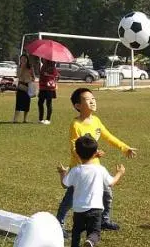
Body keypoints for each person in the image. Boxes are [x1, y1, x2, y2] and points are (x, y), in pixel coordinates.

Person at [56, 87, 137, 234]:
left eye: (93, 98)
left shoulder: (96, 121)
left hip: (96, 168)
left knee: (107, 194)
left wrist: (125, 148)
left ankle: (104, 220)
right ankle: (58, 224)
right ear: (78, 106)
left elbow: (109, 137)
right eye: (88, 99)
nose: (93, 101)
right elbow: (74, 148)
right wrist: (92, 155)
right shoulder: (76, 125)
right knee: (70, 199)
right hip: (79, 169)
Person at [57, 135, 125, 247]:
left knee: (76, 232)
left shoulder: (76, 170)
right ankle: (90, 241)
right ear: (96, 153)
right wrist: (119, 173)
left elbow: (64, 184)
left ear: (76, 153)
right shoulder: (100, 170)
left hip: (79, 209)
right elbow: (111, 183)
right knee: (94, 231)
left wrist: (62, 173)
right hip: (96, 208)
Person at [13, 53, 36, 123]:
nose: (23, 60)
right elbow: (18, 76)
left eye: (25, 59)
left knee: (27, 103)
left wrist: (30, 78)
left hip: (28, 86)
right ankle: (15, 119)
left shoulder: (30, 67)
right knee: (19, 103)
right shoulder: (19, 67)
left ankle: (25, 119)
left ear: (27, 60)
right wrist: (22, 68)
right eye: (22, 59)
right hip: (20, 86)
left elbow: (34, 77)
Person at [37, 59, 60, 125]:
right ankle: (40, 119)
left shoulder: (52, 66)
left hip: (49, 88)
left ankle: (48, 119)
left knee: (48, 103)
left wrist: (48, 75)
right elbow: (41, 75)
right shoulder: (43, 66)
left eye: (43, 59)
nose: (42, 59)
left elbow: (56, 75)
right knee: (40, 103)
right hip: (42, 87)